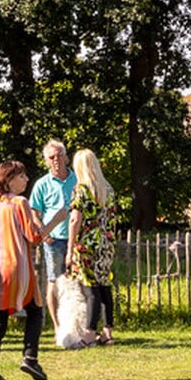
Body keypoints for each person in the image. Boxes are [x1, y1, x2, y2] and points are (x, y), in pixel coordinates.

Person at [0, 160, 46, 380]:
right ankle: (30, 356)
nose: (27, 180)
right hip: (19, 266)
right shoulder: (20, 203)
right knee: (36, 310)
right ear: (9, 179)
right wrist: (48, 224)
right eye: (22, 176)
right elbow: (34, 236)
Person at [65, 149, 118, 346]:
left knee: (90, 289)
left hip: (87, 244)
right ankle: (108, 331)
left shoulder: (81, 189)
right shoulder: (108, 189)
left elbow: (74, 220)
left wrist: (70, 249)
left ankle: (89, 334)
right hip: (106, 243)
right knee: (105, 286)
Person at [27, 139, 75, 291]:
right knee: (55, 281)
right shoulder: (42, 184)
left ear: (66, 157)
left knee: (77, 280)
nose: (56, 160)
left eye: (59, 155)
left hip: (77, 238)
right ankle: (55, 315)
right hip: (54, 240)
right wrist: (44, 233)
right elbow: (33, 211)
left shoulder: (78, 180)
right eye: (51, 157)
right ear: (46, 161)